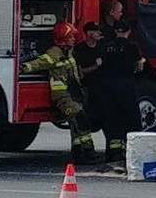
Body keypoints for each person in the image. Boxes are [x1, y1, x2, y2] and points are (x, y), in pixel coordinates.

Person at [20, 21, 96, 165]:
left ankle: (79, 153)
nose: (74, 39)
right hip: (63, 96)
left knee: (76, 124)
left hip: (74, 93)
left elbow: (75, 72)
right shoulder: (55, 53)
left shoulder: (69, 52)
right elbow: (40, 63)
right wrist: (24, 67)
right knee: (81, 119)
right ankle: (88, 151)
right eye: (71, 36)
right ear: (64, 38)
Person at [100, 19, 143, 164]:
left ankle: (112, 153)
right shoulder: (133, 47)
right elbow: (139, 67)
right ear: (128, 32)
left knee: (112, 120)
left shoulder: (107, 47)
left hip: (108, 87)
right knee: (131, 120)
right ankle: (130, 152)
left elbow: (102, 65)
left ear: (115, 31)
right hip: (126, 87)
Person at [73, 20, 107, 131]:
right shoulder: (79, 50)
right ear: (88, 33)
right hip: (86, 87)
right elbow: (79, 71)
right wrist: (95, 67)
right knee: (85, 112)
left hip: (100, 87)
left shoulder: (102, 47)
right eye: (96, 31)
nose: (99, 33)